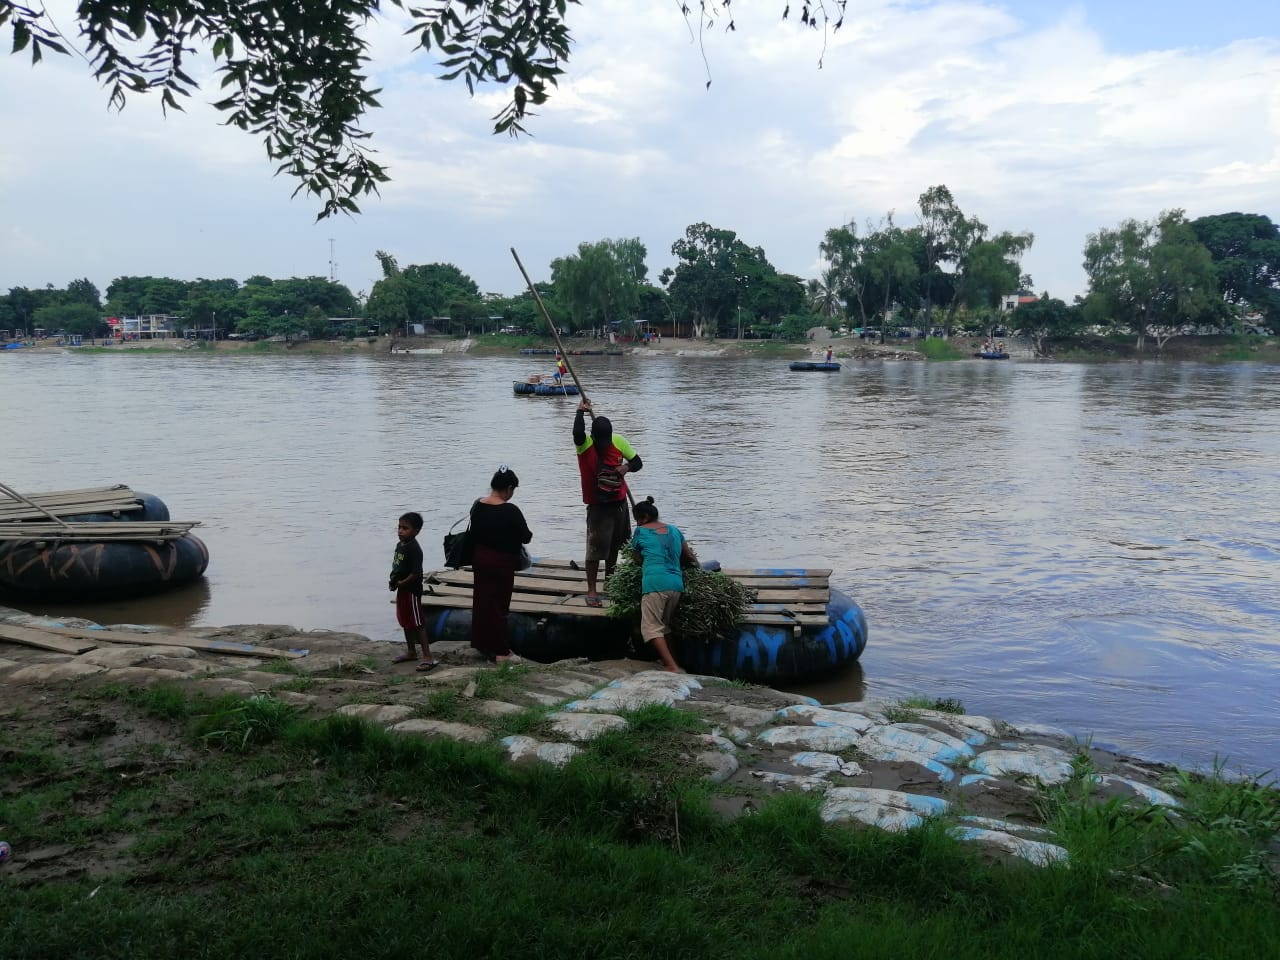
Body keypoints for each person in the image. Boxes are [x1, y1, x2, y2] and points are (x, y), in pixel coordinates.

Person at [573, 398, 642, 607]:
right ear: (593, 436)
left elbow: (638, 462)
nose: (604, 446)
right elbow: (577, 433)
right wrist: (580, 412)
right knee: (595, 550)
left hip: (619, 504)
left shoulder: (618, 441)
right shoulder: (585, 444)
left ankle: (610, 583)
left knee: (615, 547)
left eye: (606, 441)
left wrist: (626, 468)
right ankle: (592, 590)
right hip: (598, 507)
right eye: (600, 441)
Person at [469, 465, 533, 662]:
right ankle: (501, 651)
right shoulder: (510, 510)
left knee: (482, 602)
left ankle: (482, 643)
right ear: (509, 488)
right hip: (501, 562)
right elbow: (526, 536)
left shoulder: (478, 505)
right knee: (499, 606)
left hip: (479, 559)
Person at [629, 497, 696, 673]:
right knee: (664, 626)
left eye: (637, 520)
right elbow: (688, 557)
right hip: (676, 584)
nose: (637, 523)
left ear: (643, 517)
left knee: (651, 627)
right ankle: (674, 662)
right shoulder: (674, 530)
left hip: (654, 583)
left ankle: (671, 667)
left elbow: (636, 558)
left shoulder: (640, 532)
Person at [389, 511, 438, 672]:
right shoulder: (400, 546)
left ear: (416, 531)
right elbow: (397, 567)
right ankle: (411, 652)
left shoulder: (414, 549)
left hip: (411, 591)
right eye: (399, 527)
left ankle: (428, 657)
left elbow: (416, 573)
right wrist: (394, 582)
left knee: (417, 623)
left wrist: (402, 583)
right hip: (401, 589)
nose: (401, 531)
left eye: (405, 528)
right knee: (405, 621)